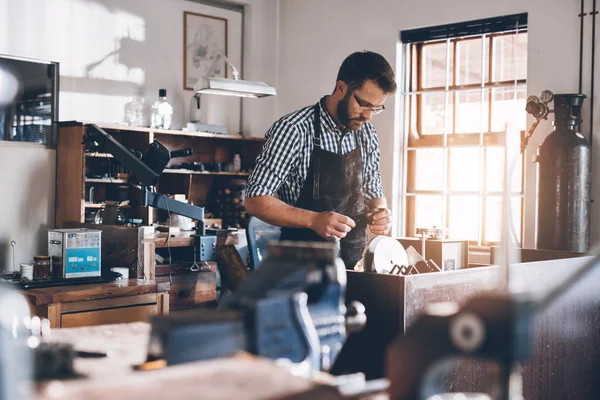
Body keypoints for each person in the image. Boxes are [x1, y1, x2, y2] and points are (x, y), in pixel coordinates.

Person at [244, 50, 396, 269]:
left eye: (376, 108)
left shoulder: (367, 133)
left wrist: (381, 213)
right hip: (300, 269)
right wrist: (313, 220)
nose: (368, 115)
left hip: (355, 267)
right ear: (342, 88)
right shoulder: (293, 130)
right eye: (364, 104)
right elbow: (255, 199)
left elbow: (374, 192)